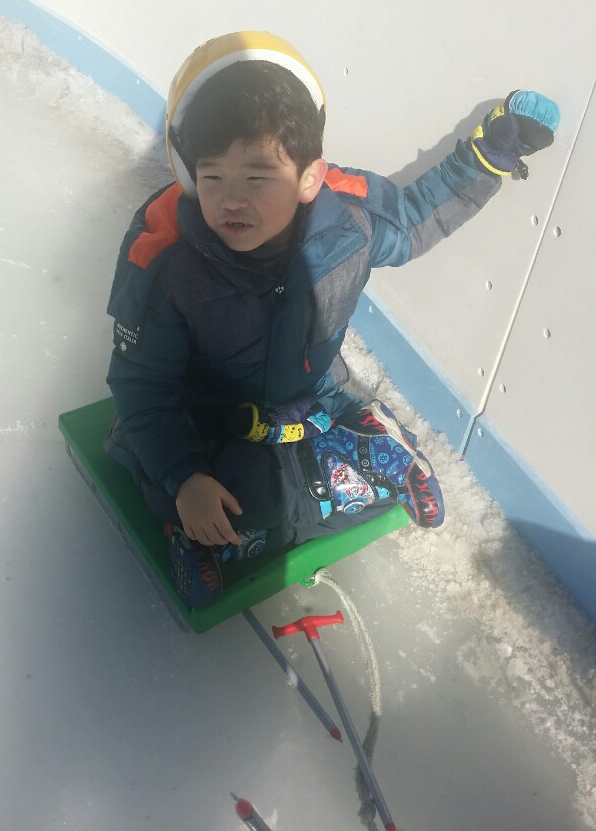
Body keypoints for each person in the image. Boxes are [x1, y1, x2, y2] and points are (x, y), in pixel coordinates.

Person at [104, 31, 559, 606]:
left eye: (257, 177)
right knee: (161, 462)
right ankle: (265, 498)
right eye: (212, 177)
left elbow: (418, 217)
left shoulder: (350, 220)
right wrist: (184, 478)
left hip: (313, 396)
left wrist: (493, 151)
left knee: (264, 497)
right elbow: (143, 382)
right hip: (209, 411)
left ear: (309, 178)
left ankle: (339, 454)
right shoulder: (167, 257)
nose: (231, 200)